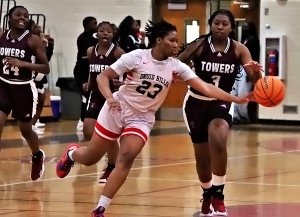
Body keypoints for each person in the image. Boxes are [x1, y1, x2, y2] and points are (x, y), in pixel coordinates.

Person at [55, 18, 252, 216]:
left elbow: (207, 87)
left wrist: (236, 98)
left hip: (141, 119)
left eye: (177, 41)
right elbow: (102, 76)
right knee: (90, 157)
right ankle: (71, 154)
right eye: (172, 41)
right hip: (117, 109)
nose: (176, 45)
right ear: (158, 40)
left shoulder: (176, 66)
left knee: (127, 157)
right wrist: (108, 97)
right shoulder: (137, 57)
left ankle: (100, 208)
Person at [177, 9, 262, 216]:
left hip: (221, 102)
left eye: (225, 23)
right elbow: (177, 64)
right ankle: (207, 193)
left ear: (231, 27)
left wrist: (258, 70)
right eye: (216, 23)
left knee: (218, 138)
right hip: (195, 103)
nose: (220, 26)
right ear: (210, 24)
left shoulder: (239, 49)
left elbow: (256, 80)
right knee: (203, 158)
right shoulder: (200, 45)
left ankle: (219, 195)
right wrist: (186, 59)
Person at [0, 6, 50, 180]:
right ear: (9, 17)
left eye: (26, 16)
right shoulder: (1, 36)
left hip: (24, 88)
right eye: (18, 14)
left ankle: (37, 155)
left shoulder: (33, 39)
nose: (23, 18)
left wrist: (24, 64)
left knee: (25, 130)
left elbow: (46, 67)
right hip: (3, 86)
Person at [83, 21, 125, 183]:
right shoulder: (90, 51)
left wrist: (122, 83)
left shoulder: (118, 52)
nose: (105, 33)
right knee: (88, 130)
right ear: (97, 33)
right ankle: (106, 150)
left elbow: (131, 71)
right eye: (102, 31)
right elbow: (91, 70)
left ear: (113, 34)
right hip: (95, 94)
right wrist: (88, 82)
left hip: (112, 96)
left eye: (108, 31)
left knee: (109, 133)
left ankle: (111, 166)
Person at [27, 19, 54, 134]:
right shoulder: (29, 41)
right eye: (35, 27)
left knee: (42, 99)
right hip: (31, 74)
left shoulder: (42, 41)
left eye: (39, 27)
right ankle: (28, 126)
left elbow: (46, 60)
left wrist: (50, 46)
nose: (39, 28)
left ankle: (34, 121)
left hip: (41, 75)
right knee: (32, 101)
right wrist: (42, 45)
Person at [73, 16, 98, 131]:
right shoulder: (82, 38)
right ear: (86, 25)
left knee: (90, 96)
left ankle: (88, 120)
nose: (96, 26)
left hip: (89, 71)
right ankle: (82, 120)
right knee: (86, 96)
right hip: (81, 72)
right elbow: (91, 51)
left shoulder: (93, 39)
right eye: (94, 23)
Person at [233, 21, 260, 124]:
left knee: (243, 93)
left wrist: (252, 73)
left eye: (246, 26)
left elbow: (254, 58)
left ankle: (244, 116)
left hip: (247, 71)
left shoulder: (253, 40)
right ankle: (236, 115)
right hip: (239, 69)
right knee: (235, 92)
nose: (244, 28)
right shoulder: (243, 40)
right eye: (243, 26)